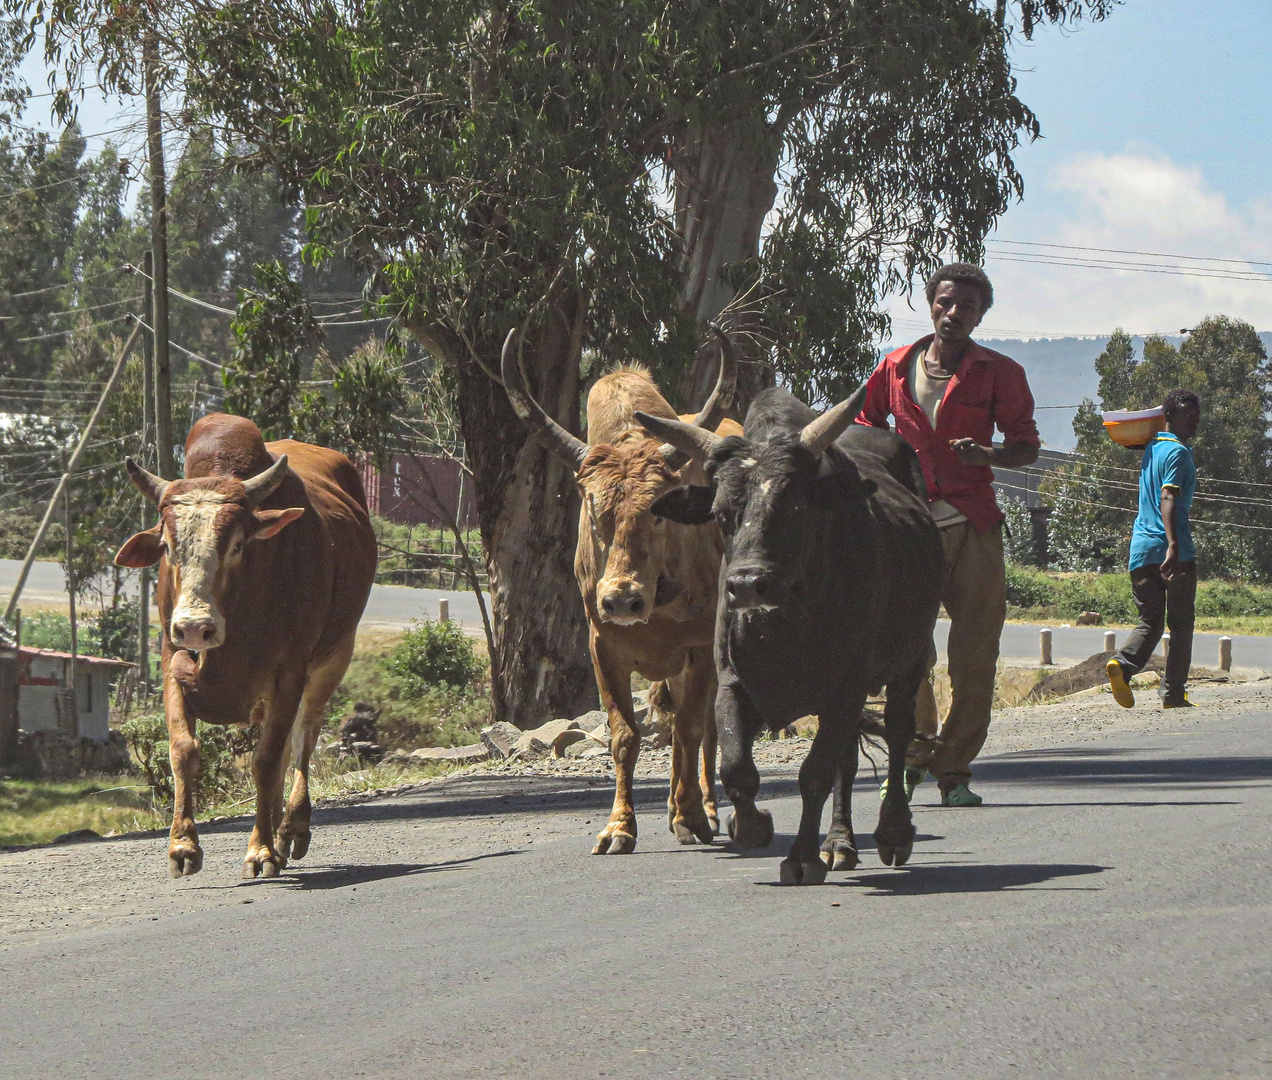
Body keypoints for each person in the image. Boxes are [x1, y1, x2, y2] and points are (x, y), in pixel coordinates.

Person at [858, 263, 1040, 807]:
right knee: (908, 649)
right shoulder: (895, 367)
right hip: (909, 530)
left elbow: (1026, 445)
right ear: (930, 304)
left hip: (974, 525)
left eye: (966, 306)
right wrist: (886, 467)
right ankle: (911, 758)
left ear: (982, 314)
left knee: (975, 654)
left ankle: (954, 768)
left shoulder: (999, 372)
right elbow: (865, 424)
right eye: (945, 302)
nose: (953, 313)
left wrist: (989, 455)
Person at [1106, 389, 1201, 709]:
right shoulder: (1179, 454)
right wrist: (1174, 546)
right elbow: (1168, 497)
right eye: (1188, 417)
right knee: (1181, 624)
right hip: (1174, 552)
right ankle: (1173, 693)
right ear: (1169, 417)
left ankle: (1123, 664)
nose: (1194, 422)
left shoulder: (1152, 449)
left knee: (1150, 622)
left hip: (1140, 551)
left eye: (1197, 416)